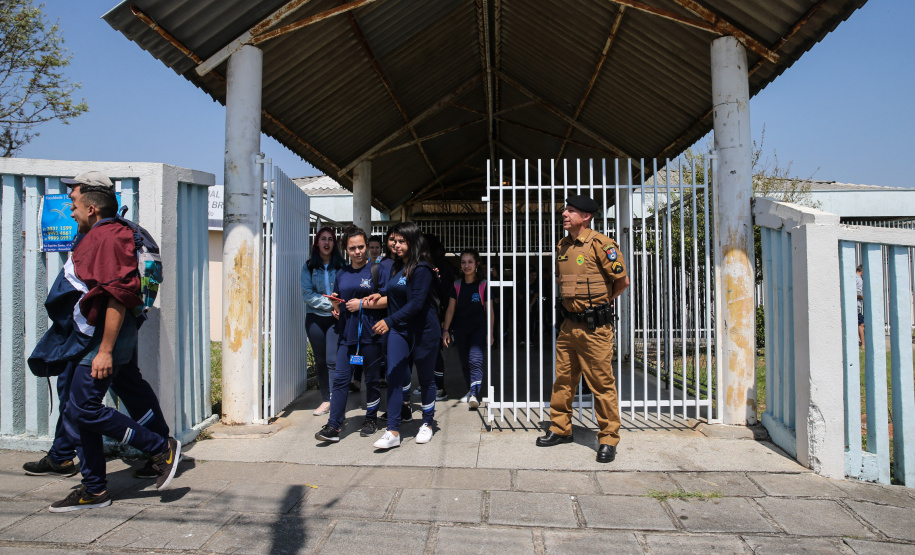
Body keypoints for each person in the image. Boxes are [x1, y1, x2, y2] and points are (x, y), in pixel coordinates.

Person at [33, 171, 180, 511]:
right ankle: (95, 489)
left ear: (92, 208)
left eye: (74, 203)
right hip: (97, 338)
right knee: (84, 405)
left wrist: (105, 351)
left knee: (83, 407)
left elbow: (116, 296)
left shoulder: (109, 237)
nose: (70, 210)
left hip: (99, 340)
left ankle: (160, 448)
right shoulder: (106, 233)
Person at [536, 195, 629, 464]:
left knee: (601, 384)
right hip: (568, 325)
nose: (564, 214)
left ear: (586, 216)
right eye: (565, 210)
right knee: (563, 380)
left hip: (594, 328)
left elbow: (622, 281)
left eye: (571, 211)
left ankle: (609, 438)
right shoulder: (563, 245)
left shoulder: (602, 244)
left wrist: (601, 305)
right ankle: (560, 428)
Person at [369, 222, 440, 449]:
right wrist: (376, 297)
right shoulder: (394, 266)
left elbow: (417, 303)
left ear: (412, 241)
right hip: (400, 330)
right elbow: (395, 295)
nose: (395, 245)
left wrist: (388, 320)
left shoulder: (422, 268)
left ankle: (427, 424)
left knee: (427, 379)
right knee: (394, 377)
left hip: (423, 331)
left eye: (401, 241)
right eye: (393, 240)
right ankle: (393, 431)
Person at [315, 226, 387, 442]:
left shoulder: (377, 270)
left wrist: (363, 305)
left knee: (372, 380)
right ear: (346, 250)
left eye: (361, 247)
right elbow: (341, 305)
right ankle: (334, 425)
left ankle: (371, 418)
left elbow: (387, 300)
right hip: (346, 337)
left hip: (371, 335)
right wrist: (336, 307)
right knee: (340, 380)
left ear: (366, 246)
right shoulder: (342, 273)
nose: (358, 251)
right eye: (352, 248)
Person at [300, 227, 344, 416]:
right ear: (317, 243)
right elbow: (307, 295)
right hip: (315, 319)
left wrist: (338, 308)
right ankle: (325, 399)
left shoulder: (341, 266)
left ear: (334, 244)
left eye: (330, 239)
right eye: (323, 239)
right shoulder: (309, 266)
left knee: (332, 360)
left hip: (335, 319)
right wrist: (331, 305)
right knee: (320, 360)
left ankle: (335, 398)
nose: (326, 243)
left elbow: (346, 290)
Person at [442, 249, 493, 409]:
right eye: (463, 262)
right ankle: (472, 390)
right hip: (460, 330)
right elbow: (450, 309)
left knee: (475, 360)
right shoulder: (456, 285)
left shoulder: (484, 285)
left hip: (479, 329)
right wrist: (446, 330)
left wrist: (491, 333)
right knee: (465, 363)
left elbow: (490, 311)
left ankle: (474, 394)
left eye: (470, 262)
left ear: (477, 264)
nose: (466, 265)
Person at [856, 264, 864, 348]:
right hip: (857, 305)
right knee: (861, 324)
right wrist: (862, 297)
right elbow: (857, 292)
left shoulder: (853, 277)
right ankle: (863, 344)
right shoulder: (858, 279)